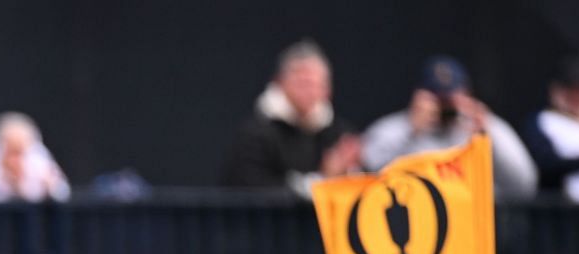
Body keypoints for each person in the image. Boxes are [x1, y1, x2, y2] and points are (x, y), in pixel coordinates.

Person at [362, 56, 537, 197]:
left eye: (450, 97)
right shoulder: (394, 129)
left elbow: (525, 184)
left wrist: (490, 131)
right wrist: (410, 131)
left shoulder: (479, 128)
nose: (445, 105)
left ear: (466, 94)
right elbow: (366, 176)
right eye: (438, 97)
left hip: (471, 230)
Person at [220, 40, 363, 195]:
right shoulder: (255, 135)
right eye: (302, 83)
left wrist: (348, 172)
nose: (309, 91)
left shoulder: (339, 134)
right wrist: (323, 180)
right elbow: (252, 189)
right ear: (280, 83)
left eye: (317, 84)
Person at [521, 54, 579, 202]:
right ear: (555, 91)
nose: (577, 96)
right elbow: (547, 166)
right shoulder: (546, 121)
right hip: (572, 214)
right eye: (570, 90)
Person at [0, 112, 71, 202]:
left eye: (20, 151)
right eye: (12, 151)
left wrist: (49, 186)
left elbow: (63, 194)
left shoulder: (38, 157)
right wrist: (0, 178)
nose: (16, 158)